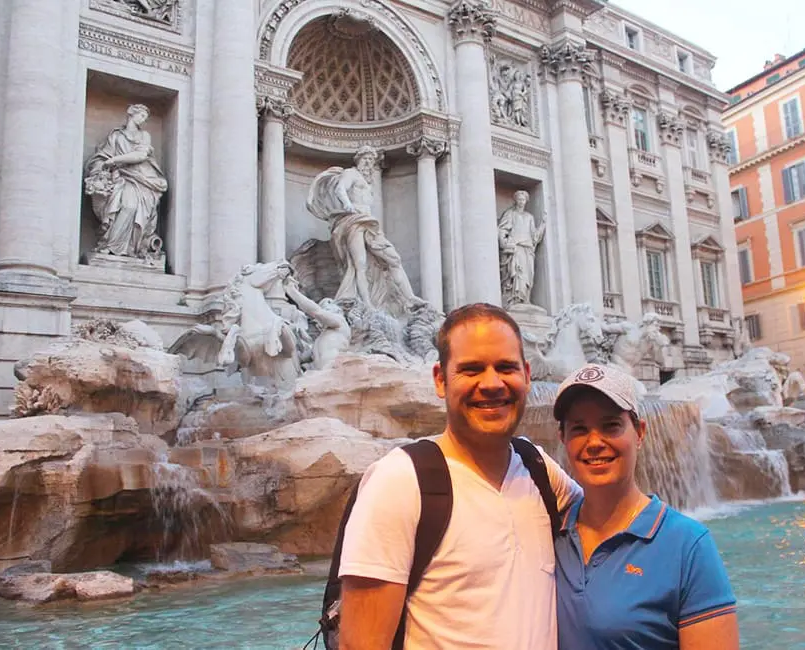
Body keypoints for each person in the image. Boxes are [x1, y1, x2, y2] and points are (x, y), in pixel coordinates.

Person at [337, 303, 581, 649]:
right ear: (440, 379)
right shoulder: (398, 481)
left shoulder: (538, 468)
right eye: (471, 369)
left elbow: (606, 520)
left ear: (527, 374)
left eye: (506, 367)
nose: (492, 383)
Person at [552, 363, 740, 650]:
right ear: (562, 438)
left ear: (639, 432)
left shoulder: (688, 546)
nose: (594, 442)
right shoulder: (550, 531)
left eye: (610, 425)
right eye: (579, 428)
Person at [306, 145, 421, 314]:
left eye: (371, 160)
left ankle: (410, 297)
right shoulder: (351, 174)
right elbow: (340, 188)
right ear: (358, 159)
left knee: (393, 259)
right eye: (365, 159)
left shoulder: (368, 182)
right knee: (359, 264)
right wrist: (348, 205)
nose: (368, 163)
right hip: (353, 221)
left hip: (369, 223)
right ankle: (367, 304)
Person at [84, 103, 168, 261]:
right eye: (141, 116)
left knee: (131, 206)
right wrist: (101, 167)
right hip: (120, 176)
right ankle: (110, 245)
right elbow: (102, 156)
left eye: (145, 118)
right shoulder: (116, 136)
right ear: (131, 113)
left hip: (141, 178)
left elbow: (141, 156)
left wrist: (114, 160)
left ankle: (126, 248)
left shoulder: (144, 136)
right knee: (120, 203)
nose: (143, 120)